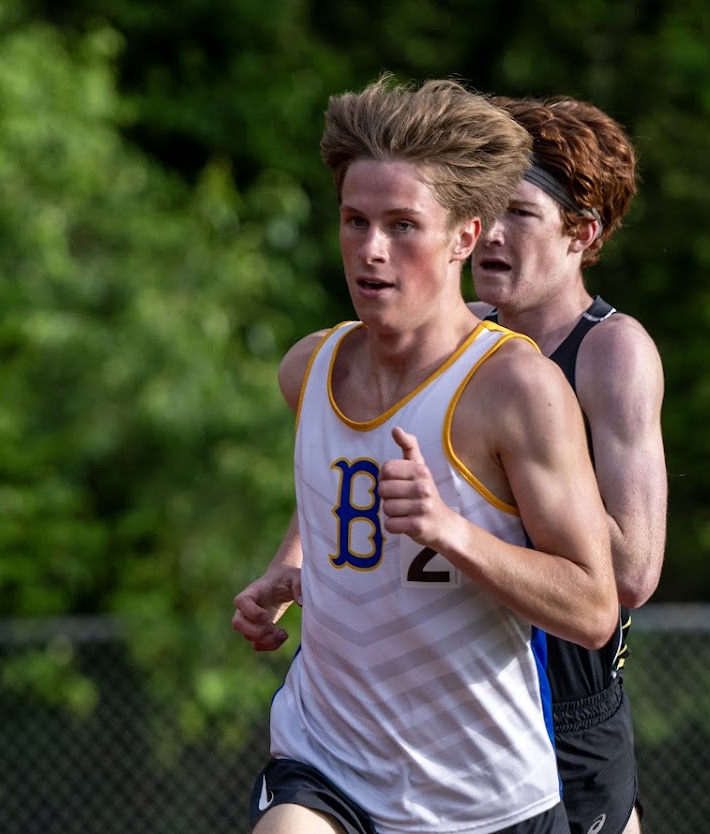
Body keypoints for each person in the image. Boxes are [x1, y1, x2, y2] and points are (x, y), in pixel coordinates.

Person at [232, 75, 618, 834]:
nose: (371, 251)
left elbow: (593, 607)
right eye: (355, 221)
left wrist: (450, 530)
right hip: (327, 761)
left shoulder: (516, 390)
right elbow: (332, 483)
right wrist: (290, 567)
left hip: (482, 797)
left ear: (464, 237)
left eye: (403, 225)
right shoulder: (309, 369)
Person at [468, 96, 667, 834]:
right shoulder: (461, 340)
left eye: (518, 212)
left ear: (581, 233)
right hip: (464, 696)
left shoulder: (613, 351)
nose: (489, 232)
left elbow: (634, 572)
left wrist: (529, 467)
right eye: (483, 207)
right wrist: (294, 562)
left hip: (569, 714)